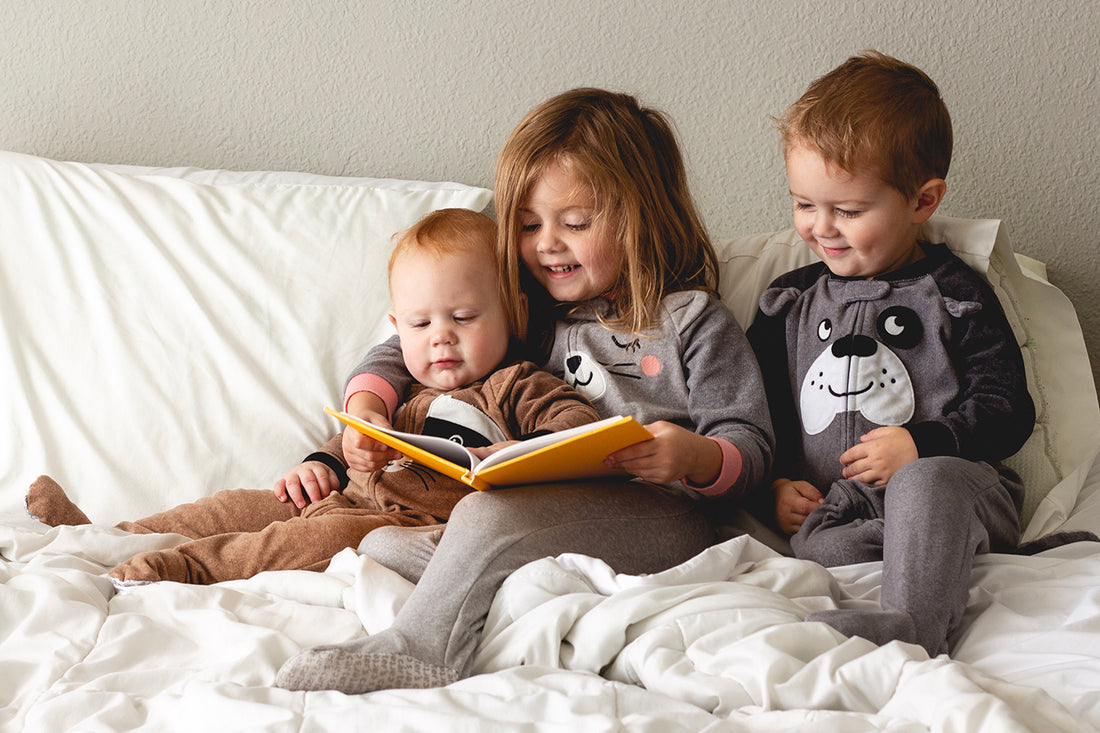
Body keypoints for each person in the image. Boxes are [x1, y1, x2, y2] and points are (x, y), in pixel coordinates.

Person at [275, 88, 774, 692]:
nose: (546, 244)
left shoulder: (692, 321)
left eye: (575, 223)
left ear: (640, 214)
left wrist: (693, 456)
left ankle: (420, 648)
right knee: (382, 541)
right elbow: (406, 346)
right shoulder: (527, 311)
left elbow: (748, 441)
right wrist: (366, 409)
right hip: (543, 507)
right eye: (530, 224)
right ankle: (487, 572)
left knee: (485, 519)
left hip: (664, 514)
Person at [24, 208, 600, 584]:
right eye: (420, 324)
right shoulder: (399, 389)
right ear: (397, 327)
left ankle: (182, 570)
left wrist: (519, 459)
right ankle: (97, 536)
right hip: (339, 492)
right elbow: (349, 438)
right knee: (233, 507)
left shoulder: (515, 384)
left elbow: (573, 422)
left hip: (403, 524)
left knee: (314, 540)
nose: (441, 336)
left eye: (464, 317)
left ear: (514, 313)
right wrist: (321, 464)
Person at [746, 50, 1034, 657]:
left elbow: (1008, 408)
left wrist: (922, 445)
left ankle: (915, 625)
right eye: (804, 205)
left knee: (924, 485)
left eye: (848, 211)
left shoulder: (953, 295)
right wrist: (774, 484)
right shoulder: (789, 303)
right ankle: (924, 563)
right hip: (847, 512)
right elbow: (758, 413)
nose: (822, 228)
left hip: (957, 484)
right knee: (821, 549)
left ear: (922, 202)